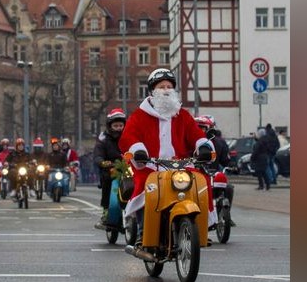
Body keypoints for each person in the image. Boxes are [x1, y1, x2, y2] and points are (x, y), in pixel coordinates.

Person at [119, 68, 216, 243]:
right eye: (161, 86)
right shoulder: (140, 116)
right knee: (146, 188)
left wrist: (203, 146)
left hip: (180, 165)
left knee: (200, 182)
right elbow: (128, 136)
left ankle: (200, 228)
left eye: (169, 86)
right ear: (152, 91)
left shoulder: (182, 115)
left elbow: (196, 134)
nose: (165, 90)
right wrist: (138, 150)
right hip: (150, 166)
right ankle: (143, 231)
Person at [92, 108, 126, 226]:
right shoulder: (103, 140)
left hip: (128, 169)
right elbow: (97, 155)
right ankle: (106, 210)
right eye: (115, 125)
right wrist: (102, 162)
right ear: (110, 126)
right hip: (111, 170)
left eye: (120, 125)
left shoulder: (129, 137)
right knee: (107, 182)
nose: (118, 128)